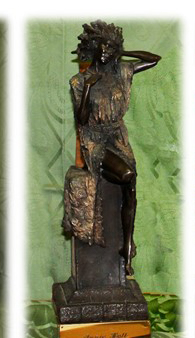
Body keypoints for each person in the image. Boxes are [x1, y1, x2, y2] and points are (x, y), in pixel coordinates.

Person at [67, 21, 160, 276]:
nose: (106, 52)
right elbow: (82, 118)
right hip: (95, 140)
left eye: (111, 48)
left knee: (132, 182)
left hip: (118, 137)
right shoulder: (79, 80)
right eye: (102, 47)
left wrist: (124, 52)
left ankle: (127, 243)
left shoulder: (122, 72)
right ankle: (123, 244)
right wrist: (88, 88)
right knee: (127, 175)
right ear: (93, 49)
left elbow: (154, 59)